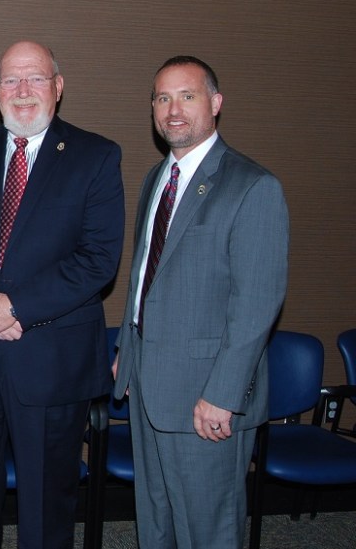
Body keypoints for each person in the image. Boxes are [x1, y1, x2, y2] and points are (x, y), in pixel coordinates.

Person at [0, 40, 125, 549]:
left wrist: (14, 307)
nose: (23, 90)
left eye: (35, 77)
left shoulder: (96, 156)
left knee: (45, 506)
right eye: (11, 80)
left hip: (51, 358)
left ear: (58, 87)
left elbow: (97, 259)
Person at [112, 56, 289, 549]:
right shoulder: (156, 179)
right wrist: (128, 349)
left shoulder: (252, 187)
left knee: (207, 533)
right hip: (149, 385)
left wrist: (225, 395)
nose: (173, 110)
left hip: (205, 400)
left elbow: (257, 305)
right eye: (162, 98)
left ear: (215, 103)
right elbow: (144, 275)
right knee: (157, 526)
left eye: (187, 96)